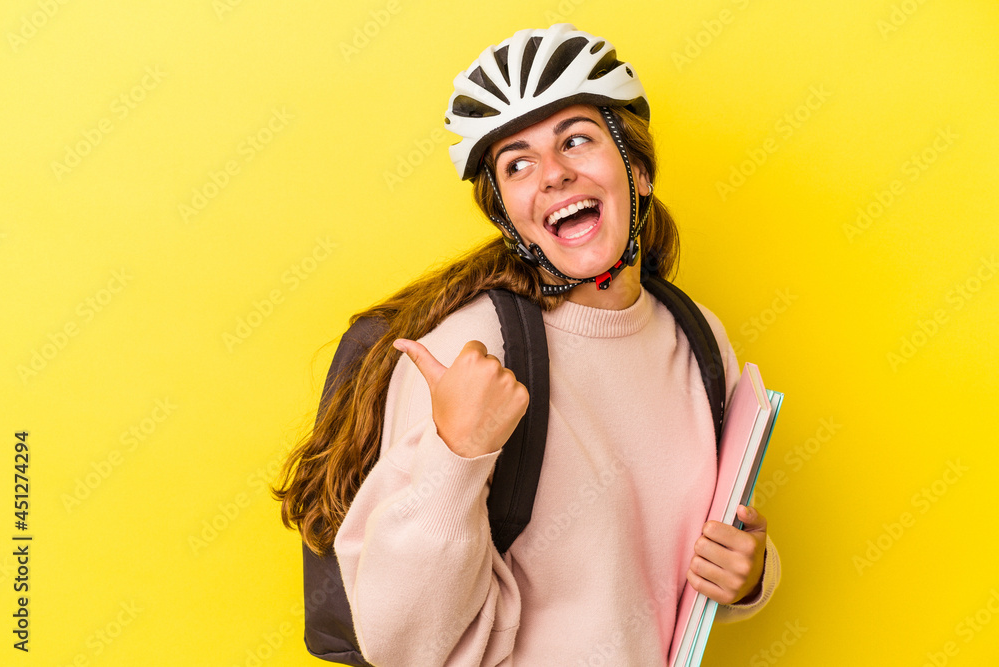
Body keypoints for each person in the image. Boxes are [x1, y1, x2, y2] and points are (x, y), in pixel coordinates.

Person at [277, 23, 780, 665]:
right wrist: (457, 453)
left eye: (576, 140)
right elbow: (400, 643)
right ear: (508, 215)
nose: (554, 175)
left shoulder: (696, 335)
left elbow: (665, 558)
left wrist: (750, 574)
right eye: (519, 164)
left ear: (639, 171)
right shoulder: (469, 349)